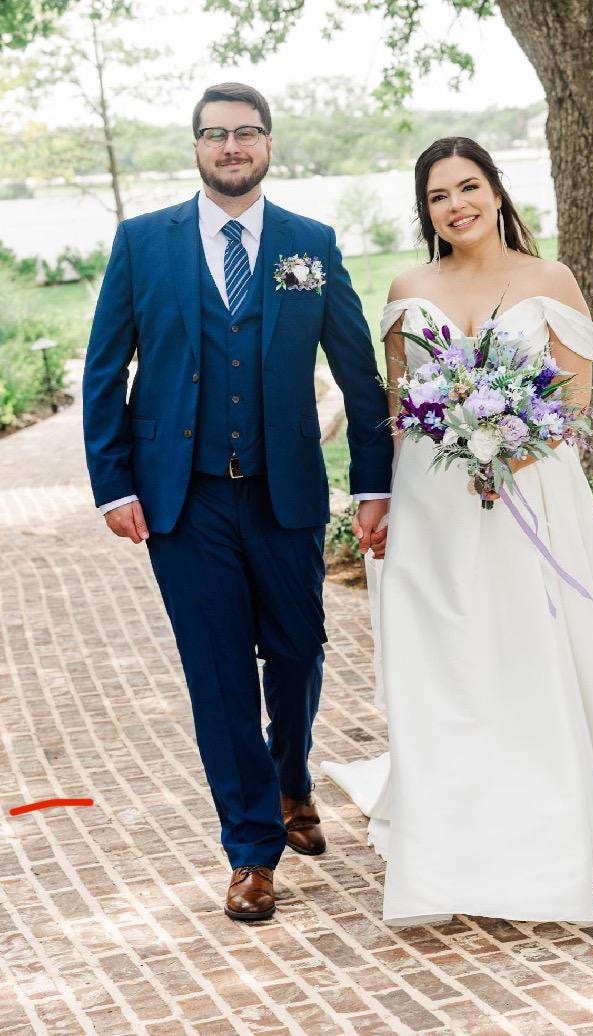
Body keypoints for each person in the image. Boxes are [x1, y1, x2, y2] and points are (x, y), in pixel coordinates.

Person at [321, 137, 593, 928]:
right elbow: (396, 405)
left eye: (468, 187)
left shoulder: (548, 279)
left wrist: (513, 436)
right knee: (442, 649)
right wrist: (378, 497)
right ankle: (450, 795)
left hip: (531, 490)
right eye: (438, 196)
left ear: (495, 190)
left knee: (526, 639)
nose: (456, 205)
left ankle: (543, 799)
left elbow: (576, 402)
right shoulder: (408, 285)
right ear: (426, 211)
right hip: (430, 499)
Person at [82, 82, 392, 922]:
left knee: (296, 654)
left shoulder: (307, 244)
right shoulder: (143, 243)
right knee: (219, 678)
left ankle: (292, 773)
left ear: (267, 144)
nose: (230, 147)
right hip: (184, 505)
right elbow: (106, 370)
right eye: (214, 134)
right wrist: (113, 483)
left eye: (245, 133)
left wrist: (373, 484)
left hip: (284, 495)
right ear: (195, 146)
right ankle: (252, 851)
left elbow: (359, 375)